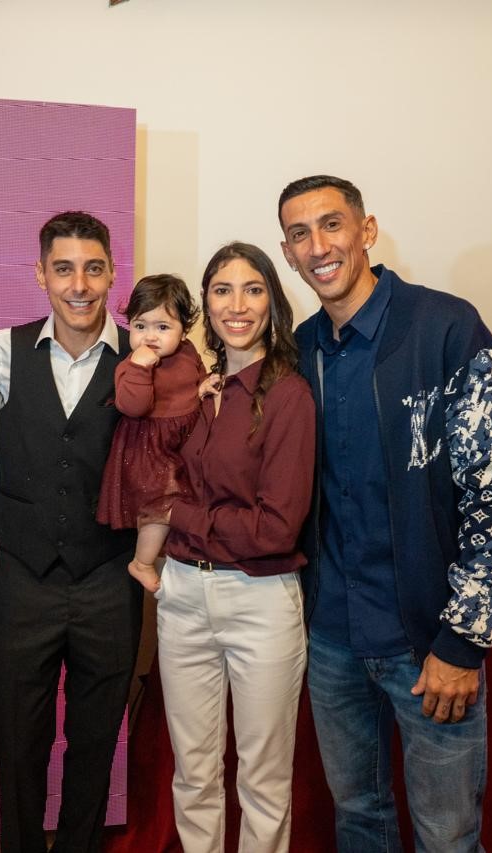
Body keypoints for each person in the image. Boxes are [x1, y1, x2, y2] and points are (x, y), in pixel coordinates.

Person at [276, 174, 492, 852]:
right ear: (288, 253)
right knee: (360, 819)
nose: (318, 246)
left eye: (332, 224)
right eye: (300, 234)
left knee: (448, 836)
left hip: (429, 641)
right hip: (333, 640)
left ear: (366, 231)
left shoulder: (446, 328)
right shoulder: (300, 352)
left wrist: (462, 642)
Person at [0, 211, 143, 853]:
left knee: (97, 743)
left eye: (94, 269)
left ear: (112, 274)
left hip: (110, 578)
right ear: (41, 274)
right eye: (64, 269)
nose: (80, 285)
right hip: (23, 578)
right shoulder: (4, 350)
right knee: (17, 742)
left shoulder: (144, 354)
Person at [157, 242, 315, 853]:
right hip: (181, 595)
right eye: (222, 290)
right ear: (206, 304)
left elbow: (275, 530)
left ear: (272, 301)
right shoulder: (194, 390)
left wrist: (178, 514)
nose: (237, 305)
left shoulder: (288, 395)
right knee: (193, 774)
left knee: (264, 780)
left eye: (253, 289)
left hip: (259, 599)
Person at [96, 273, 206, 592]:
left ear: (184, 330)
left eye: (162, 327)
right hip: (150, 451)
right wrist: (141, 368)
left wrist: (205, 386)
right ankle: (142, 562)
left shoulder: (188, 353)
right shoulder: (131, 366)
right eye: (140, 326)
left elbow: (194, 380)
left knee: (190, 500)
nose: (150, 337)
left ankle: (176, 556)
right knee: (163, 507)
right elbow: (134, 406)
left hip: (182, 443)